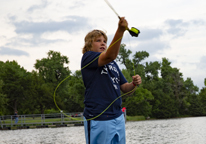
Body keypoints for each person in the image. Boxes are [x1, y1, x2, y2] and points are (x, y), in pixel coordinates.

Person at [81, 17, 142, 144]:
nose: (103, 43)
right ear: (88, 45)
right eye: (98, 41)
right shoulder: (88, 57)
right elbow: (110, 55)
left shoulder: (113, 64)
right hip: (99, 118)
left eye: (105, 41)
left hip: (118, 117)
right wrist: (120, 30)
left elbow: (125, 88)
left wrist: (133, 84)